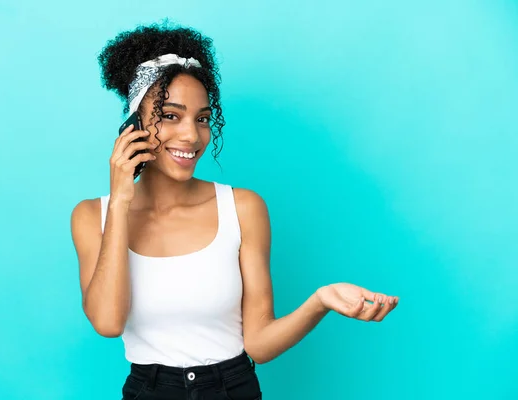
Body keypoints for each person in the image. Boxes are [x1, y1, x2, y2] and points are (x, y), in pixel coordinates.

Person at [70, 21, 399, 400]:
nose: (192, 136)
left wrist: (320, 301)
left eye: (202, 119)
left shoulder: (243, 208)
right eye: (170, 115)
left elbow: (258, 344)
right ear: (134, 123)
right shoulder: (92, 217)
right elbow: (108, 322)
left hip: (233, 388)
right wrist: (122, 200)